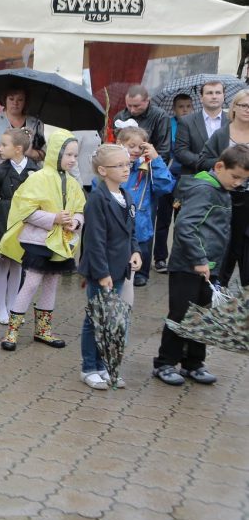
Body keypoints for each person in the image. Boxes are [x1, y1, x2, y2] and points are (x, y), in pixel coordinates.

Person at [153, 144, 249, 386]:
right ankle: (165, 363)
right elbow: (186, 227)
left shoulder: (223, 189)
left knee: (203, 315)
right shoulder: (205, 190)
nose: (238, 183)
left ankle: (193, 363)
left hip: (210, 267)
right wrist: (199, 259)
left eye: (243, 180)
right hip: (189, 266)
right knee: (181, 314)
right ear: (219, 167)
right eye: (235, 176)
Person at [0, 129, 85, 352]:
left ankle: (43, 330)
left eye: (76, 155)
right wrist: (54, 218)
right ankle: (12, 331)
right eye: (69, 155)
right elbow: (25, 210)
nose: (73, 160)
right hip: (38, 242)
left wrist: (75, 222)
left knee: (51, 284)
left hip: (61, 242)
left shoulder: (73, 183)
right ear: (56, 153)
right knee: (32, 283)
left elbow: (80, 209)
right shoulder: (37, 178)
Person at [77, 144, 141, 389]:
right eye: (120, 165)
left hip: (120, 269)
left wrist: (135, 250)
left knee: (111, 320)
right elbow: (94, 240)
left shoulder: (126, 196)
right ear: (103, 170)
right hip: (101, 270)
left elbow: (130, 230)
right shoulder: (97, 199)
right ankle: (89, 368)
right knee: (95, 319)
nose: (126, 169)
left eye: (128, 164)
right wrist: (102, 273)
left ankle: (105, 366)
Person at [0, 87, 45, 294]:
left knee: (21, 230)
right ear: (4, 100)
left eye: (20, 99)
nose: (15, 103)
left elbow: (42, 152)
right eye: (11, 98)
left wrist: (24, 150)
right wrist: (3, 148)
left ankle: (19, 280)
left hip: (24, 182)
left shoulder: (35, 123)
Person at [0, 128, 39, 324]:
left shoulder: (34, 170)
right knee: (3, 263)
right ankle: (1, 307)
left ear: (17, 149)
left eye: (4, 145)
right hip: (3, 220)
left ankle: (13, 305)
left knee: (17, 264)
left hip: (23, 222)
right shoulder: (0, 170)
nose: (0, 148)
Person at [196, 88, 249, 287]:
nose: (247, 110)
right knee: (225, 241)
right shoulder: (221, 133)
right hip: (225, 194)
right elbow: (203, 160)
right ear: (233, 107)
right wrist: (229, 163)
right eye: (243, 105)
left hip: (248, 197)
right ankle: (219, 282)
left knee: (243, 244)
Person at [114, 127, 174, 287]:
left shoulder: (147, 168)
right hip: (116, 222)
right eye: (131, 146)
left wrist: (155, 159)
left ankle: (141, 273)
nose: (135, 150)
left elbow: (165, 186)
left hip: (140, 223)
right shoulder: (111, 165)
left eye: (140, 147)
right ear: (119, 143)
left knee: (142, 251)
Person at [155, 92, 198, 273]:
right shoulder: (168, 124)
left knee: (183, 221)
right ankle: (160, 258)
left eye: (188, 106)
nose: (185, 110)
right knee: (163, 220)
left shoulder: (196, 125)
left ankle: (178, 258)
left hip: (187, 179)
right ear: (174, 109)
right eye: (181, 106)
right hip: (168, 179)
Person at [113, 84, 171, 162]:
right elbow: (113, 144)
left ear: (147, 100)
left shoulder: (160, 116)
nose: (132, 110)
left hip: (149, 164)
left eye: (136, 106)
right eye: (129, 105)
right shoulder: (120, 116)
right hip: (123, 163)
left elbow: (164, 149)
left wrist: (156, 166)